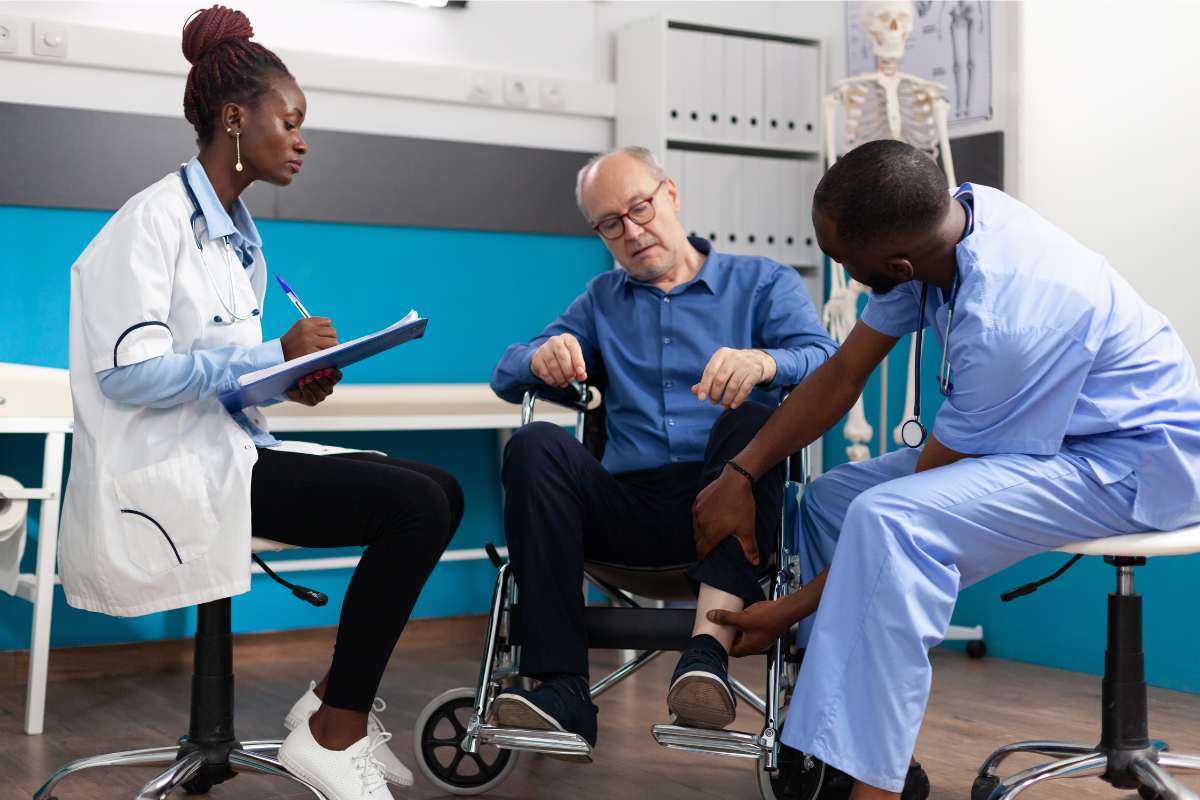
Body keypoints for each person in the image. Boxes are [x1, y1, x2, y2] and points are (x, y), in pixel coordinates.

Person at [694, 139, 1200, 799]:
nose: (843, 274)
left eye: (847, 263)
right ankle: (842, 750)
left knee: (890, 519)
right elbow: (845, 371)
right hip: (1060, 434)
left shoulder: (1005, 320)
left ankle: (869, 784)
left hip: (1137, 460)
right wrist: (739, 472)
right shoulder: (957, 222)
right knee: (831, 500)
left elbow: (913, 502)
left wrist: (784, 611)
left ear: (898, 265)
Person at [59, 7, 462, 799]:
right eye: (293, 120)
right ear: (237, 119)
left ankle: (325, 705)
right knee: (412, 507)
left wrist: (290, 379)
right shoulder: (151, 222)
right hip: (164, 471)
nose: (303, 140)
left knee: (441, 490)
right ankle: (333, 731)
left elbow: (221, 373)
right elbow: (129, 373)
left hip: (226, 453)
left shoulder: (239, 236)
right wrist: (271, 354)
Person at [486, 146, 838, 750]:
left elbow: (825, 359)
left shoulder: (761, 283)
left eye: (640, 208)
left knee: (749, 414)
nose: (631, 232)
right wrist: (540, 358)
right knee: (534, 443)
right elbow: (505, 373)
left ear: (670, 195)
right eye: (610, 224)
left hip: (731, 503)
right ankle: (562, 689)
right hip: (629, 509)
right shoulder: (600, 301)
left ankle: (705, 655)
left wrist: (763, 361)